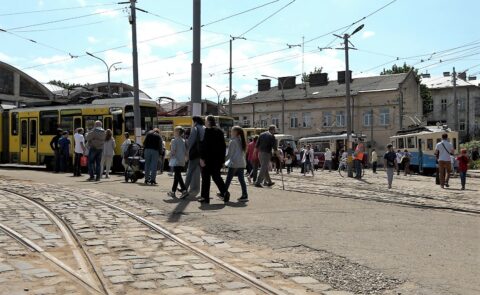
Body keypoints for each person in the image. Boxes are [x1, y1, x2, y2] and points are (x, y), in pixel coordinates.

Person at [199, 115, 229, 204]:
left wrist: (202, 158)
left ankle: (205, 197)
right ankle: (224, 192)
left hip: (208, 159)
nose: (205, 122)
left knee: (205, 178)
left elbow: (204, 146)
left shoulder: (207, 131)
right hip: (217, 160)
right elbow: (223, 146)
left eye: (205, 121)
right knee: (216, 177)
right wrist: (222, 160)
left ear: (208, 122)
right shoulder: (220, 131)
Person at [224, 126, 249, 202]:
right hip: (241, 162)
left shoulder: (233, 141)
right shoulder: (241, 141)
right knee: (241, 179)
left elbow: (229, 154)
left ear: (235, 132)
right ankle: (245, 195)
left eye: (232, 131)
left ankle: (223, 192)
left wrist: (223, 161)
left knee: (228, 179)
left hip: (234, 162)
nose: (230, 132)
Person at [184, 116, 206, 198]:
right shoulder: (204, 128)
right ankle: (203, 192)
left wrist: (187, 149)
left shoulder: (195, 128)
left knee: (190, 171)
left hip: (196, 153)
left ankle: (184, 188)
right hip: (204, 154)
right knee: (204, 174)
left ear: (195, 122)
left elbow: (191, 141)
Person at [168, 126, 187, 198]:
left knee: (178, 175)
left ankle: (184, 190)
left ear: (178, 132)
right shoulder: (183, 140)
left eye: (175, 131)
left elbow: (173, 151)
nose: (173, 132)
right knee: (177, 176)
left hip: (175, 160)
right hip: (181, 160)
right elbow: (185, 151)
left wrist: (169, 156)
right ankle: (173, 191)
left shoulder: (174, 140)